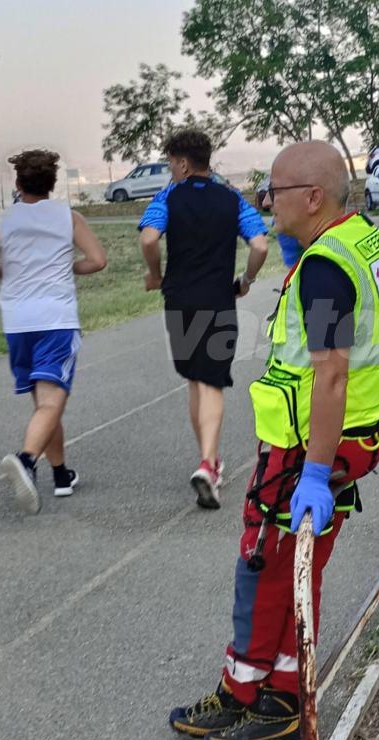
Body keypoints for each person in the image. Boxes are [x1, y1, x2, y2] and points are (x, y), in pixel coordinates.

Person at [168, 140, 379, 740]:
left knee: (267, 558)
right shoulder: (364, 240)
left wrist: (318, 472)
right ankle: (265, 691)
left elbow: (331, 374)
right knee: (290, 563)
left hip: (312, 444)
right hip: (346, 432)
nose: (266, 200)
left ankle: (265, 698)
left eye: (275, 190)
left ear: (314, 198)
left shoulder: (327, 265)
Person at [139, 128, 269, 509]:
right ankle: (208, 465)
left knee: (195, 380)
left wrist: (155, 274)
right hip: (217, 299)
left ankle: (209, 462)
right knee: (211, 381)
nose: (170, 171)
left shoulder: (166, 197)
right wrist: (246, 280)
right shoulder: (232, 199)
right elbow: (260, 244)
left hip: (178, 298)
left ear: (182, 162)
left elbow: (148, 239)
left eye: (170, 164)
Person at [0, 149, 106, 514]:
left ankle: (60, 475)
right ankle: (25, 460)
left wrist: (13, 270)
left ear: (18, 184)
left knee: (43, 403)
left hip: (18, 320)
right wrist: (66, 267)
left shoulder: (0, 220)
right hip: (56, 318)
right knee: (53, 401)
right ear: (52, 184)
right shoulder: (69, 218)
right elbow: (98, 260)